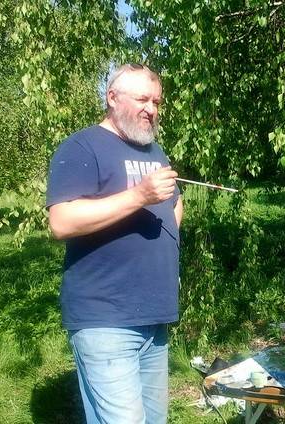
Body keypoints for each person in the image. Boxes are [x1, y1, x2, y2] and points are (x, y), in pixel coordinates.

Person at [46, 64, 183, 424]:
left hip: (154, 316)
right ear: (112, 97)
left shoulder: (155, 151)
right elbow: (61, 221)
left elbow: (175, 200)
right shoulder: (82, 146)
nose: (151, 109)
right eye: (142, 99)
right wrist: (139, 196)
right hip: (105, 318)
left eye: (156, 102)